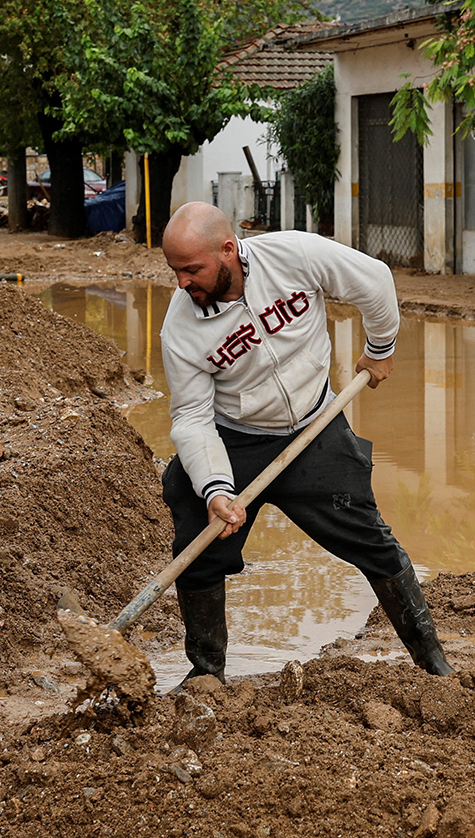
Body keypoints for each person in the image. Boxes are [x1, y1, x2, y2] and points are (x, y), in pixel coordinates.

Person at [158, 201, 452, 684]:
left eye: (192, 269)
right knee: (197, 545)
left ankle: (432, 659)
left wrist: (380, 348)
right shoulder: (182, 328)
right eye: (175, 271)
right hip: (235, 438)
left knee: (373, 542)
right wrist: (215, 489)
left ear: (228, 250)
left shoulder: (292, 255)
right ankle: (206, 672)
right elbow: (190, 416)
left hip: (315, 426)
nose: (182, 283)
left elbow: (374, 280)